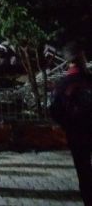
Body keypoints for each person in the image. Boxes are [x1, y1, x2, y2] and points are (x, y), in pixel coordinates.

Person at [50, 42, 92, 206]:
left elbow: (55, 111)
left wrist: (68, 125)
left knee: (83, 171)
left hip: (76, 134)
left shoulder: (62, 85)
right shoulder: (89, 79)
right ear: (81, 58)